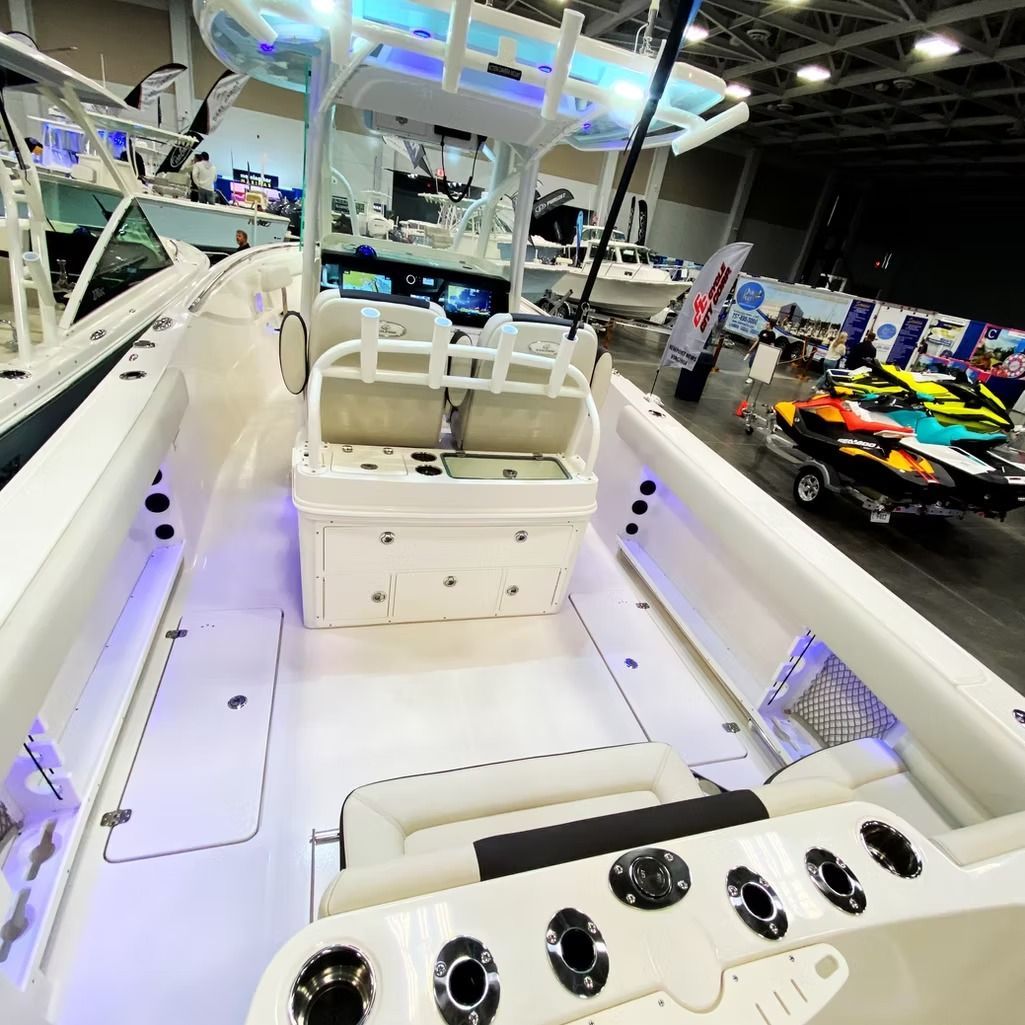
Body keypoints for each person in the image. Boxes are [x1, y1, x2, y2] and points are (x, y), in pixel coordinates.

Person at [744, 318, 778, 384]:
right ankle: (752, 374)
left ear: (771, 325)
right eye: (766, 324)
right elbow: (757, 341)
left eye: (767, 324)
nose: (766, 325)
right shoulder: (763, 331)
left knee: (757, 364)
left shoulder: (772, 334)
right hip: (757, 349)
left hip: (764, 352)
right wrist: (750, 349)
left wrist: (772, 354)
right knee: (751, 362)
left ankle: (751, 377)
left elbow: (772, 344)